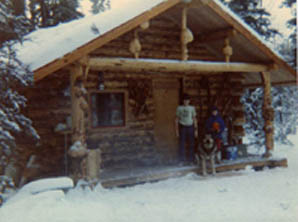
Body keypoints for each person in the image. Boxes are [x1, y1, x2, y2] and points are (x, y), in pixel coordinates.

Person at [175, 94, 198, 165]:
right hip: (183, 127)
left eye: (187, 100)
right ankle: (181, 160)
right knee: (181, 144)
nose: (186, 102)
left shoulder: (192, 108)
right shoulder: (179, 108)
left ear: (189, 101)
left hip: (190, 126)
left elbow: (194, 119)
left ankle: (191, 160)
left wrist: (196, 130)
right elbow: (176, 119)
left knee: (191, 144)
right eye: (185, 100)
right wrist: (177, 131)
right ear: (183, 101)